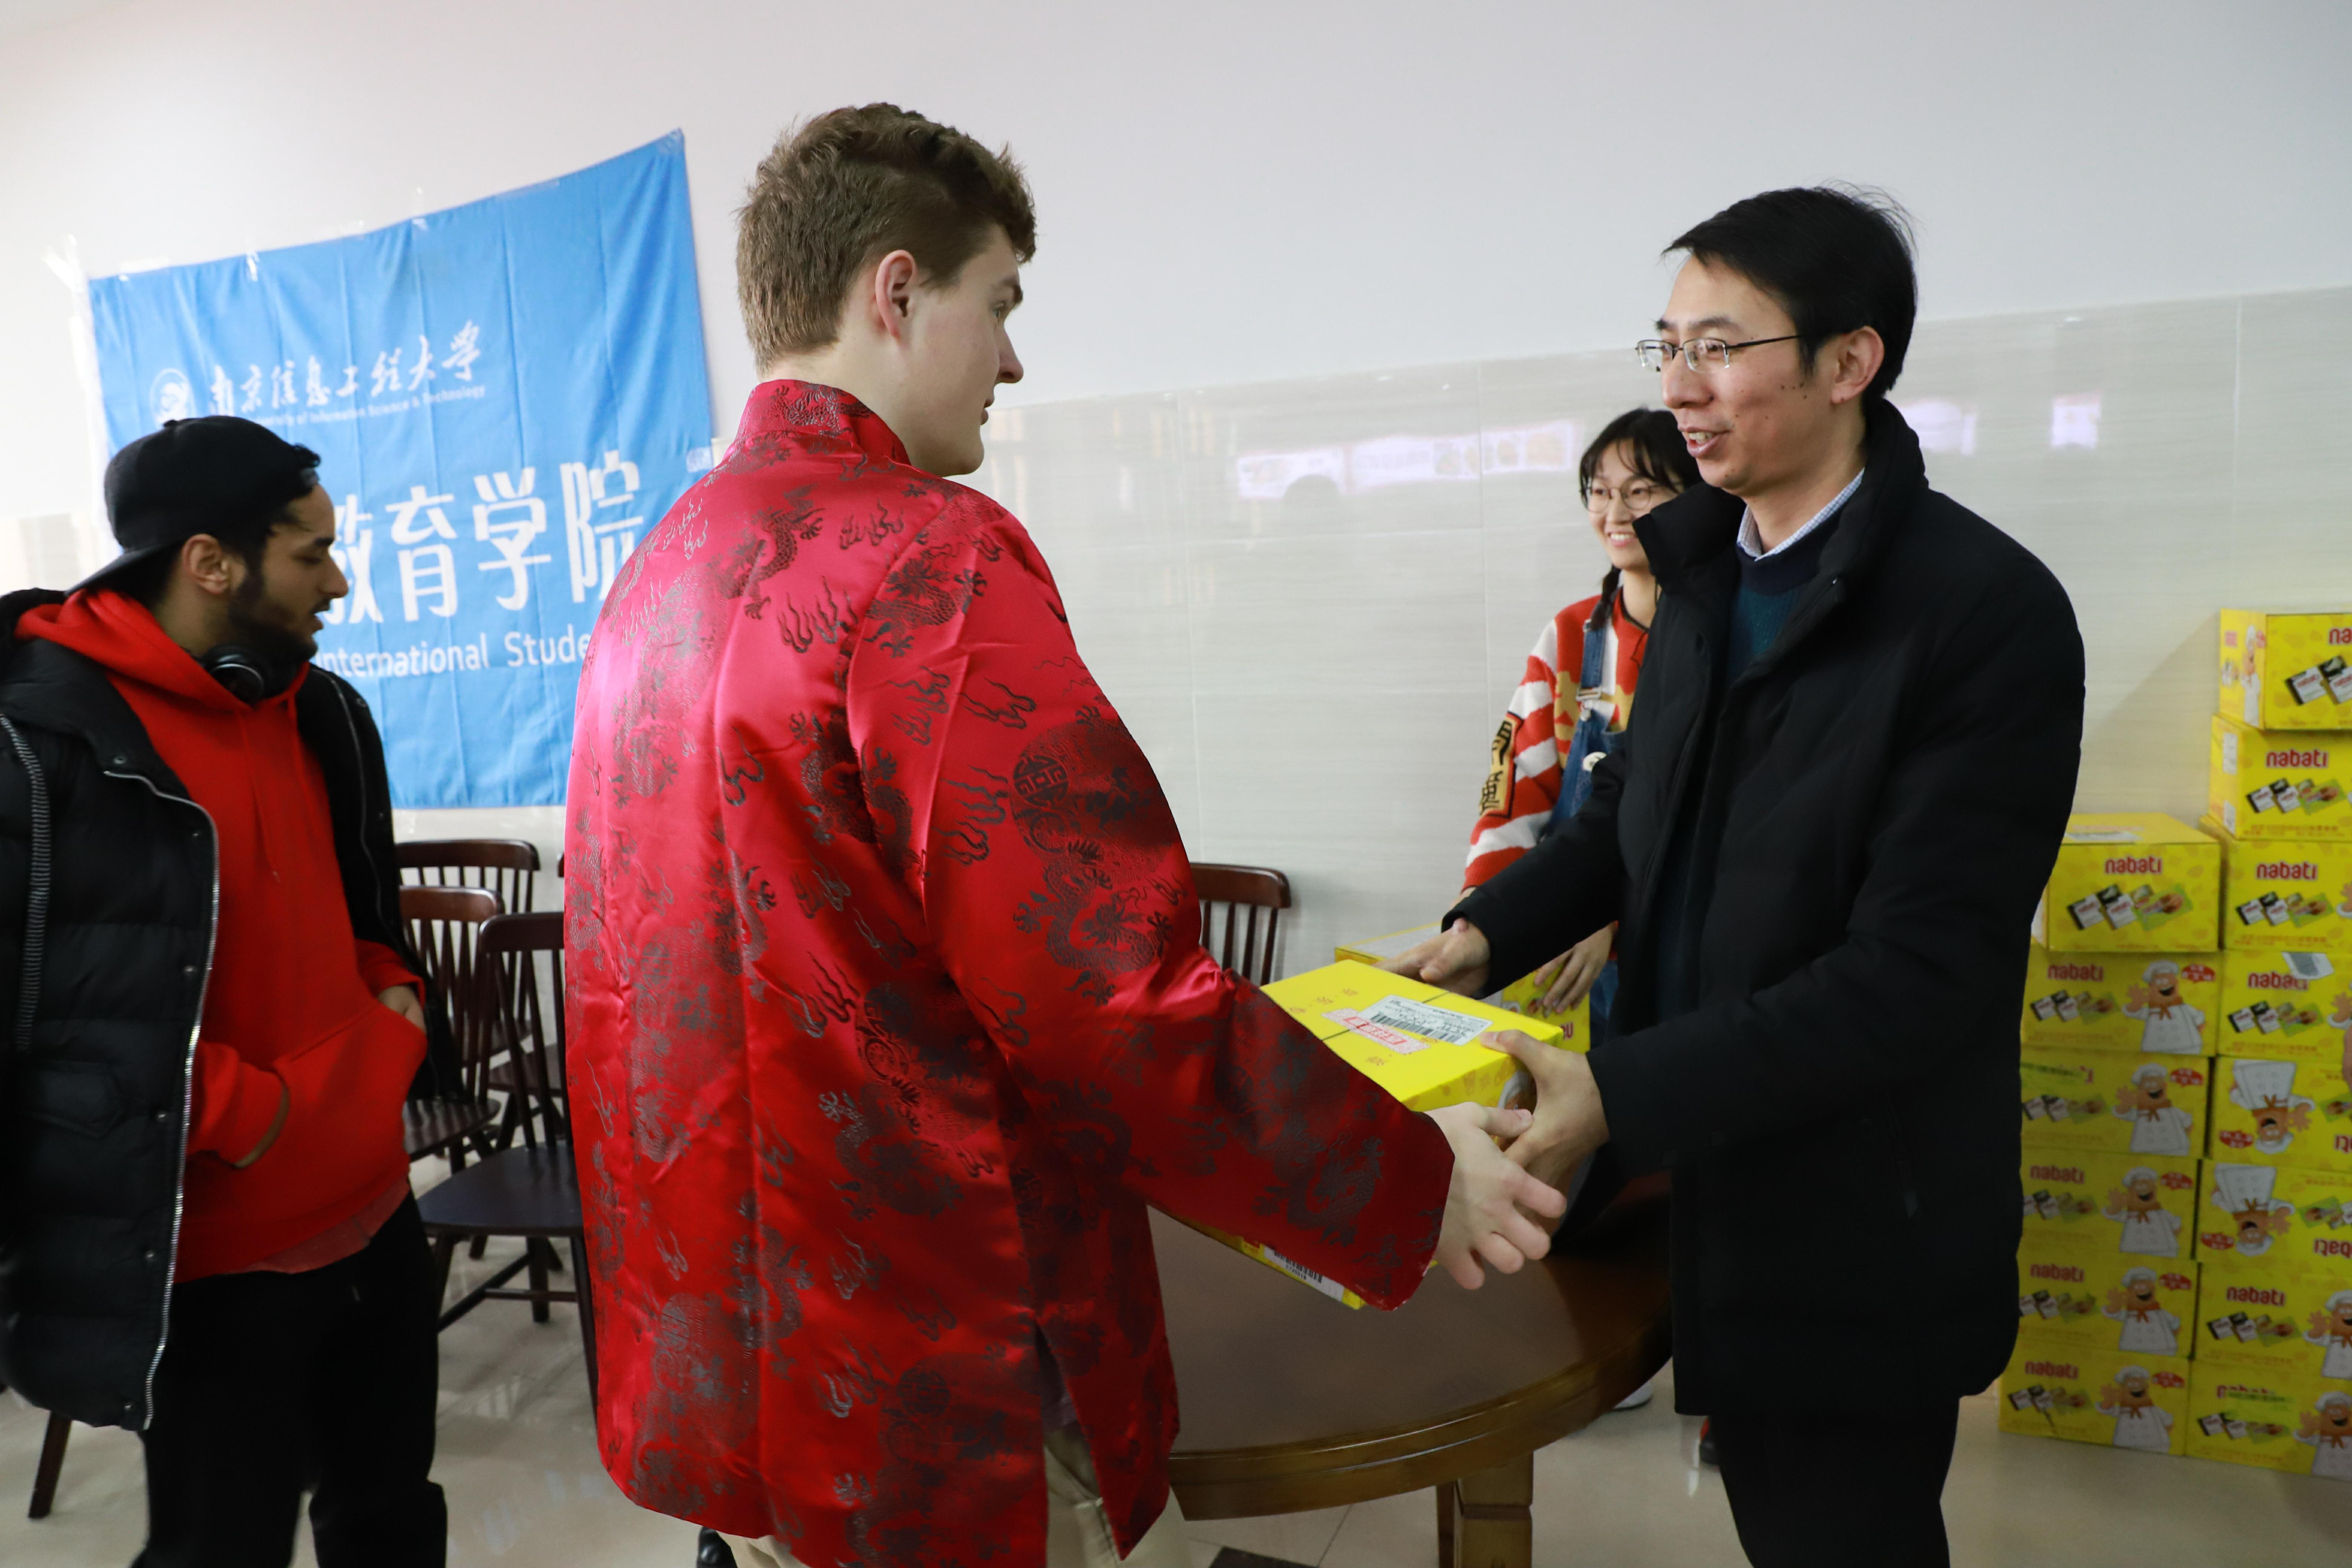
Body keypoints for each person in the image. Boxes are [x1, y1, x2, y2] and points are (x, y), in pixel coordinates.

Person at [563, 104, 1564, 1568]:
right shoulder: (927, 555)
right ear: (898, 293)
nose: (1014, 360)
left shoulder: (657, 573)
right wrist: (1407, 1181)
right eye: (1003, 304)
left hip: (736, 1349)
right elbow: (1100, 991)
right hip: (937, 1351)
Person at [1387, 186, 2086, 1568]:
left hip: (1852, 1219)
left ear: (1849, 361)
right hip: (1693, 1159)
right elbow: (1636, 815)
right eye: (1666, 348)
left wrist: (1622, 1094)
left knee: (1837, 1530)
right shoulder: (1707, 576)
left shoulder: (1981, 613)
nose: (1680, 390)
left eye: (1720, 347)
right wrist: (1482, 935)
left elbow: (1918, 979)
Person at [0, 415, 448, 1565]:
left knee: (391, 1518)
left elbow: (365, 912)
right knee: (220, 1548)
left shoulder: (321, 709)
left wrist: (394, 1004)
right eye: (312, 553)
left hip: (377, 1215)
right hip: (212, 1262)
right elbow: (42, 1023)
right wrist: (258, 1114)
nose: (338, 582)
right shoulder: (41, 741)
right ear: (210, 562)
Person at [1462, 408, 1697, 1039]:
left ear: (1697, 500)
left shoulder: (1721, 639)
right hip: (1562, 966)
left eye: (1641, 491)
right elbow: (1515, 789)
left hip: (1681, 958)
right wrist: (1481, 920)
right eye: (1599, 491)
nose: (1615, 513)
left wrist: (1607, 916)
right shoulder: (1570, 636)